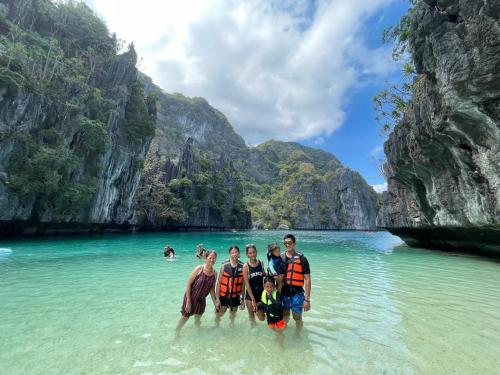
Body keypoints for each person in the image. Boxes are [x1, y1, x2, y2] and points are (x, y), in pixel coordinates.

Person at [176, 251, 218, 338]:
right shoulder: (199, 269)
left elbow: (212, 290)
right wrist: (188, 301)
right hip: (191, 297)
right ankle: (177, 331)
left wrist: (215, 304)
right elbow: (188, 284)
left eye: (214, 258)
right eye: (210, 258)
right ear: (205, 258)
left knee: (198, 317)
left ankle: (197, 329)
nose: (212, 260)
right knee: (185, 316)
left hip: (202, 299)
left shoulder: (215, 273)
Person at [280, 234, 311, 334]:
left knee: (297, 317)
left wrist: (307, 299)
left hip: (297, 293)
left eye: (289, 243)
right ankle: (283, 333)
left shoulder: (302, 259)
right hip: (284, 293)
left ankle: (298, 335)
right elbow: (274, 275)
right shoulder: (280, 258)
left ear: (294, 243)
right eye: (285, 243)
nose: (287, 245)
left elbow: (307, 279)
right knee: (285, 315)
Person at [215, 245, 245, 327]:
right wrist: (217, 299)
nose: (234, 254)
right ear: (229, 254)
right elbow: (218, 283)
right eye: (232, 252)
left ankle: (232, 326)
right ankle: (216, 325)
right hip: (223, 295)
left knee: (233, 314)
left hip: (235, 296)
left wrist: (242, 299)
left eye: (236, 252)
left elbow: (243, 285)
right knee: (220, 313)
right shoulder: (224, 266)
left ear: (239, 253)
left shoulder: (243, 266)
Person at [258, 276, 286, 346]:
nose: (269, 289)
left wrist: (271, 298)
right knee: (274, 331)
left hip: (278, 318)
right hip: (270, 319)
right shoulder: (263, 293)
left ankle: (281, 347)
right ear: (263, 286)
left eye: (271, 287)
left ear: (274, 286)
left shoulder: (277, 294)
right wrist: (258, 306)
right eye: (267, 286)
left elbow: (279, 305)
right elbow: (264, 304)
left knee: (280, 333)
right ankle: (279, 336)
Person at [242, 244, 265, 325]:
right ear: (247, 254)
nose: (252, 254)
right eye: (250, 253)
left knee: (262, 318)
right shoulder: (246, 266)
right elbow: (247, 284)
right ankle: (253, 332)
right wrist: (253, 299)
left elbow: (264, 275)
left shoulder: (261, 263)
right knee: (252, 317)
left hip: (261, 294)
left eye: (254, 252)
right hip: (250, 296)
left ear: (256, 252)